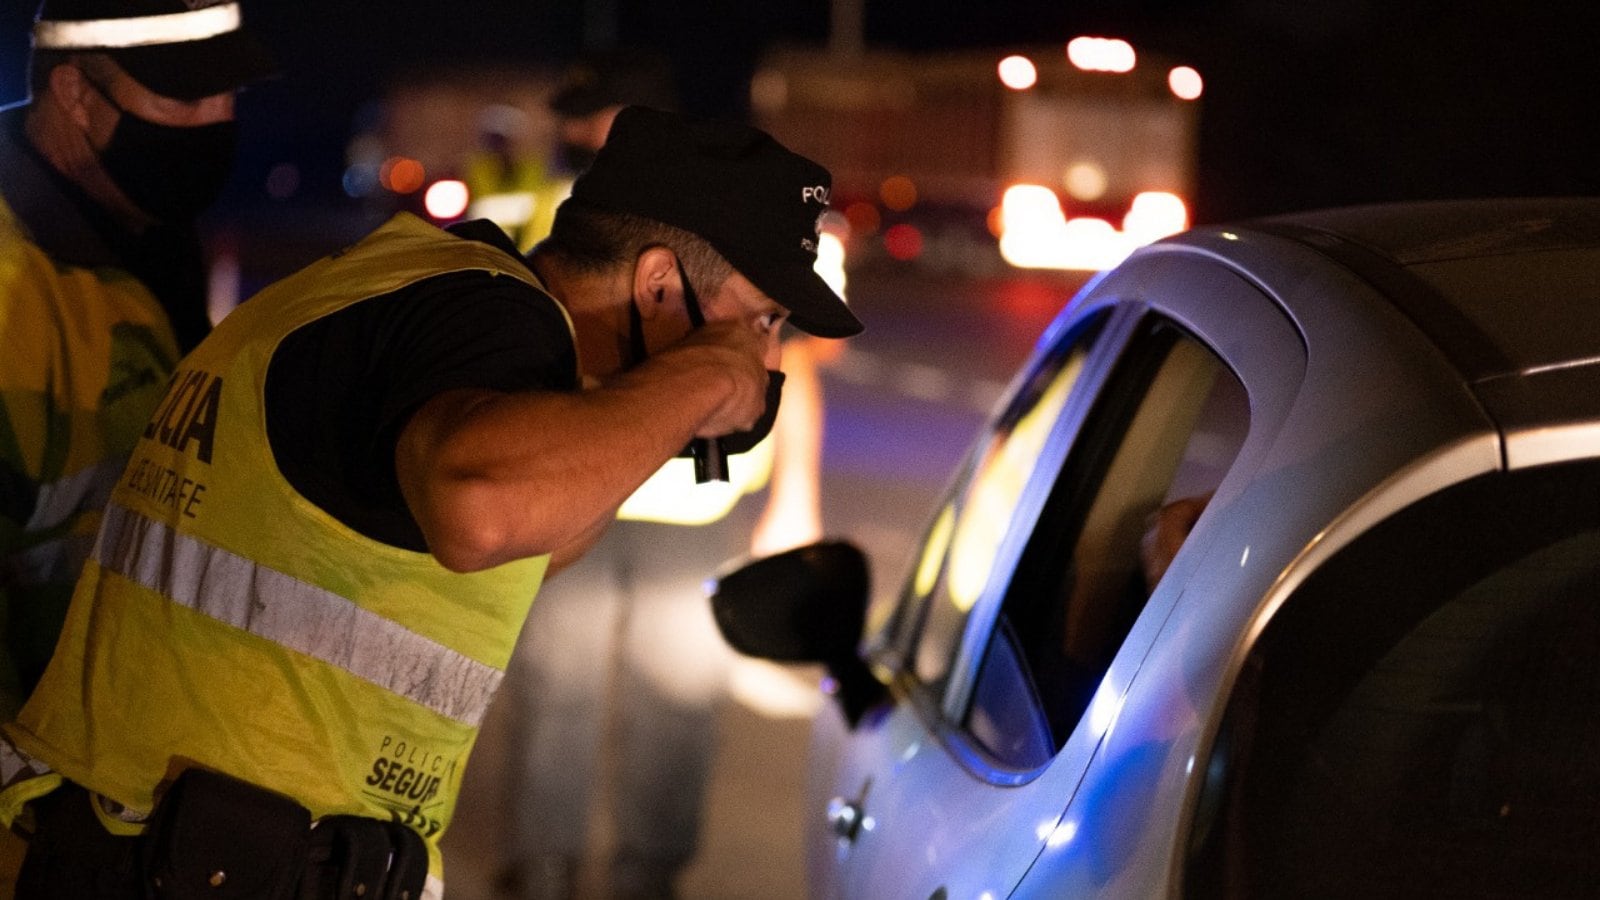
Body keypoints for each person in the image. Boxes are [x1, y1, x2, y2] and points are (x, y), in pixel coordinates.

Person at [0, 105, 863, 900]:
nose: (768, 358)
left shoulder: (442, 303)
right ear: (661, 289)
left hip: (165, 848)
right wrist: (704, 376)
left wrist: (658, 408)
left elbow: (533, 540)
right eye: (762, 323)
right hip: (186, 860)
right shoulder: (489, 321)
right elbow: (478, 507)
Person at [479, 64, 834, 900]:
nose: (581, 140)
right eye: (577, 126)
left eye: (598, 122)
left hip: (693, 508)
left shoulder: (745, 223)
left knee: (677, 700)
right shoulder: (558, 217)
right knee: (555, 689)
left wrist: (795, 500)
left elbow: (806, 370)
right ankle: (545, 866)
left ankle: (651, 873)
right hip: (574, 484)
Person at [0, 0, 275, 720]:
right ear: (74, 93)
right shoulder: (12, 278)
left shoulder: (152, 239)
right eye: (184, 95)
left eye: (229, 95)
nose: (214, 119)